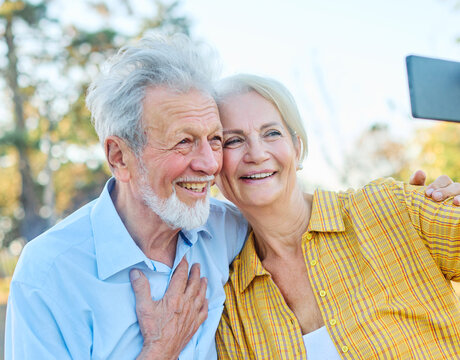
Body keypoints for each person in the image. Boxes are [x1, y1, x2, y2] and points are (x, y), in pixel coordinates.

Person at [5, 34, 249, 360]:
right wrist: (160, 351)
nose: (209, 163)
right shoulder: (48, 274)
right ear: (120, 157)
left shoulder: (226, 228)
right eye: (184, 141)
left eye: (215, 139)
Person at [208, 74, 460, 359]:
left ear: (297, 147)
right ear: (212, 163)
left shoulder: (389, 208)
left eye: (271, 133)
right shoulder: (230, 306)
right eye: (233, 140)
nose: (256, 153)